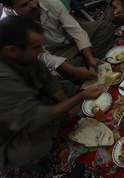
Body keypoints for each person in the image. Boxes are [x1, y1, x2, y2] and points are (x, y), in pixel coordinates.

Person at [0, 16, 105, 169]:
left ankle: (56, 121)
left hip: (28, 103)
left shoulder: (21, 54)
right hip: (10, 135)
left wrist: (66, 104)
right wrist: (79, 97)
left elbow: (48, 79)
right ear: (12, 50)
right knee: (39, 145)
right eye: (35, 47)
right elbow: (33, 119)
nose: (42, 50)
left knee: (66, 88)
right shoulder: (3, 79)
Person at [0, 0, 115, 83]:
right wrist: (74, 70)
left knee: (106, 27)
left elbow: (74, 29)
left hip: (68, 36)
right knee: (70, 70)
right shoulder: (11, 27)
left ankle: (86, 59)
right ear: (9, 7)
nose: (34, 5)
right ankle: (84, 60)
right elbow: (43, 55)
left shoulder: (49, 3)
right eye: (25, 5)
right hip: (55, 51)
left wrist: (89, 57)